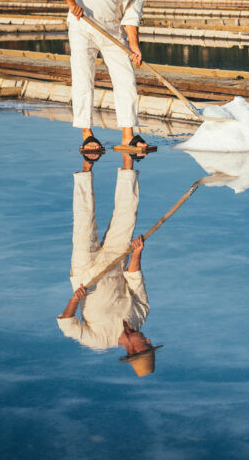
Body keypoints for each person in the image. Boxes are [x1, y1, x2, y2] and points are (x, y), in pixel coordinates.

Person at [52, 0, 158, 156]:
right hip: (83, 26)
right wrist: (72, 3)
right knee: (83, 78)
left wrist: (134, 46)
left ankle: (128, 135)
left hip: (113, 32)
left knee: (126, 80)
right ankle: (87, 134)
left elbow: (131, 15)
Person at [57, 152, 162, 377]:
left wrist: (75, 300)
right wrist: (137, 253)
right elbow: (134, 279)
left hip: (86, 271)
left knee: (84, 219)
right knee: (127, 216)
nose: (149, 339)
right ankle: (128, 159)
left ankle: (87, 164)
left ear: (134, 350)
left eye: (146, 345)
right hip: (115, 262)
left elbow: (67, 326)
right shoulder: (141, 315)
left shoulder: (100, 341)